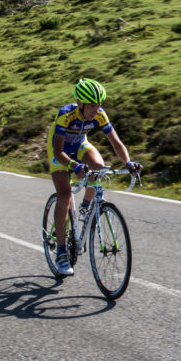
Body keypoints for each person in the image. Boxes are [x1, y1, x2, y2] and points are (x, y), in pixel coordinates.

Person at [47, 78, 137, 275]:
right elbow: (57, 152)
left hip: (79, 145)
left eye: (99, 105)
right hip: (60, 152)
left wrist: (128, 162)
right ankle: (61, 253)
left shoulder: (100, 115)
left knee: (98, 166)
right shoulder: (65, 115)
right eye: (92, 106)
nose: (96, 110)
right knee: (64, 195)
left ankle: (86, 207)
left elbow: (116, 142)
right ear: (80, 103)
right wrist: (74, 165)